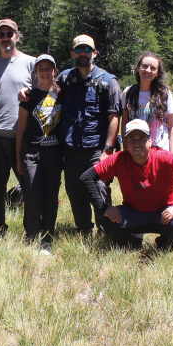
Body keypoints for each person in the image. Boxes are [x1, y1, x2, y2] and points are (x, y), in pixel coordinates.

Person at [80, 119, 173, 251]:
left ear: (150, 141)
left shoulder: (163, 157)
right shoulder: (119, 159)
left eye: (142, 138)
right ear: (126, 143)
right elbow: (86, 178)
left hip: (163, 213)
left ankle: (164, 244)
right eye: (131, 139)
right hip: (133, 212)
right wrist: (104, 209)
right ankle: (132, 243)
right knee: (107, 221)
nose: (136, 143)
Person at [57, 34, 121, 235]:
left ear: (95, 53)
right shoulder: (64, 79)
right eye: (79, 50)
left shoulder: (108, 81)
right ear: (72, 54)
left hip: (97, 149)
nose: (83, 53)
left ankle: (105, 229)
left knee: (100, 189)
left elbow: (114, 117)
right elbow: (49, 100)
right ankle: (84, 228)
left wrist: (108, 150)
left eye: (87, 49)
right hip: (71, 149)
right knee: (75, 191)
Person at [0, 19, 35, 236]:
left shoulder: (31, 63)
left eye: (9, 34)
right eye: (1, 35)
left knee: (29, 186)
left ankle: (31, 230)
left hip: (23, 137)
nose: (5, 39)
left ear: (17, 36)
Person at [15, 54, 63, 252]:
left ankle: (47, 237)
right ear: (35, 72)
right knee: (33, 195)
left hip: (54, 154)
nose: (45, 72)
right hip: (31, 153)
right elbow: (21, 129)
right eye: (40, 68)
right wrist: (18, 158)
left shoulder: (62, 95)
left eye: (48, 68)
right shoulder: (28, 97)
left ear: (54, 71)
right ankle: (32, 235)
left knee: (51, 196)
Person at [121, 52, 173, 155]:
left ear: (157, 73)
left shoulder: (164, 93)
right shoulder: (128, 92)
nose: (148, 70)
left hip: (161, 151)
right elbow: (124, 124)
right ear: (138, 68)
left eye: (153, 68)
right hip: (137, 152)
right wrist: (126, 148)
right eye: (144, 66)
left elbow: (172, 126)